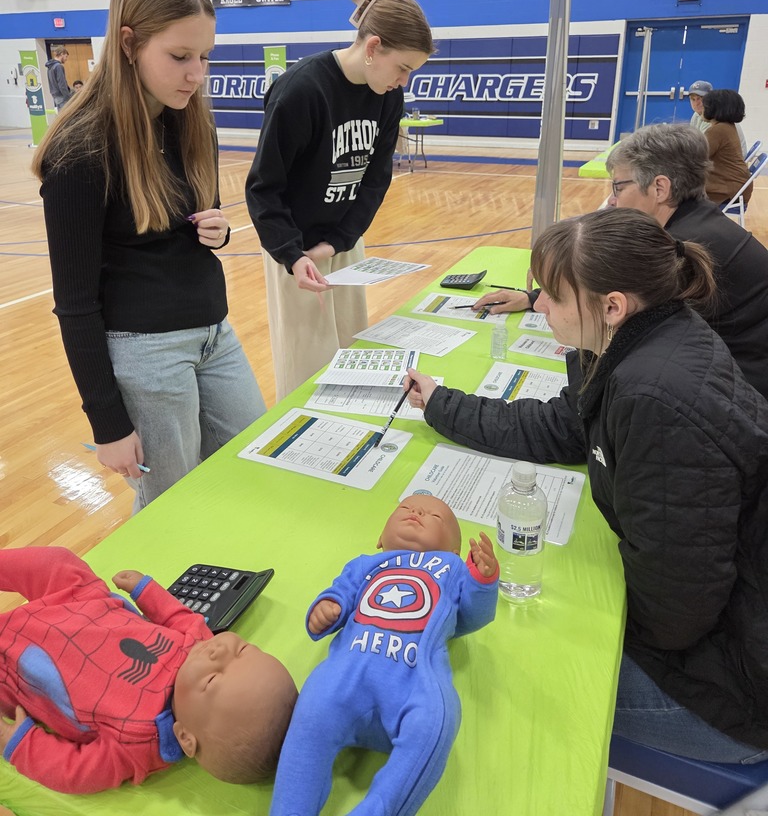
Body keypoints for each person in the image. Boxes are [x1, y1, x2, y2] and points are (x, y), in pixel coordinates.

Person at [406, 209, 768, 763]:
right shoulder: (642, 346)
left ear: (613, 306)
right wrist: (441, 403)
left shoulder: (653, 399)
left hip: (731, 693)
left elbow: (676, 616)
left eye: (551, 295)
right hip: (724, 639)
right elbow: (560, 427)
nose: (540, 306)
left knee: (483, 667)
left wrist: (567, 614)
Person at [32, 0, 266, 511]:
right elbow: (75, 303)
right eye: (180, 57)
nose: (196, 74)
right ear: (129, 42)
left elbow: (193, 222)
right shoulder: (80, 152)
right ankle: (157, 598)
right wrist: (108, 423)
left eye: (205, 56)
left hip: (213, 331)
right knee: (171, 505)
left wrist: (218, 231)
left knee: (252, 461)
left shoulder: (192, 121)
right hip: (145, 352)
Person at [245, 0, 434, 399]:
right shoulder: (301, 90)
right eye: (402, 67)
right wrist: (293, 256)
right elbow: (263, 188)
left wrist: (337, 242)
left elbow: (375, 179)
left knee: (353, 349)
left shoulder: (387, 97)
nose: (404, 81)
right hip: (293, 251)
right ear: (373, 47)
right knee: (307, 368)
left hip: (343, 241)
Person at [0, 546, 297, 793]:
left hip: (24, 665)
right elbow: (181, 618)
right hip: (83, 601)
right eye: (242, 649)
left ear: (184, 737)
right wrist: (146, 590)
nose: (220, 650)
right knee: (57, 562)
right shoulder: (201, 648)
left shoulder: (136, 744)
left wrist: (20, 743)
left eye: (212, 678)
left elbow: (74, 771)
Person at [269, 496, 498, 816]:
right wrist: (329, 608)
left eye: (436, 517)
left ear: (454, 550)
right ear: (381, 538)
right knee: (310, 714)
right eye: (406, 509)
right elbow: (342, 591)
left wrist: (483, 581)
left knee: (439, 720)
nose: (417, 512)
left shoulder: (451, 568)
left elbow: (471, 617)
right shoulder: (366, 563)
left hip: (416, 681)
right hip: (346, 673)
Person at [604, 123, 768, 398]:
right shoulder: (701, 220)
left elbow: (620, 319)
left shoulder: (683, 249)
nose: (611, 200)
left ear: (659, 188)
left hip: (742, 394)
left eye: (618, 187)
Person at [700, 88, 751, 205]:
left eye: (705, 106)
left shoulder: (718, 130)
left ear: (715, 108)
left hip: (727, 191)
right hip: (735, 188)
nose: (702, 109)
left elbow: (695, 157)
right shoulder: (727, 126)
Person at [688, 79, 746, 154]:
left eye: (700, 98)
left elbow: (701, 151)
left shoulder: (716, 120)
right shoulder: (696, 115)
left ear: (711, 99)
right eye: (693, 99)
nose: (696, 103)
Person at [45, 44, 72, 111]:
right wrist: (68, 98)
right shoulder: (58, 66)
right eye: (66, 56)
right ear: (62, 54)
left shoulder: (50, 67)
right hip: (62, 97)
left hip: (56, 97)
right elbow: (62, 84)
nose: (66, 59)